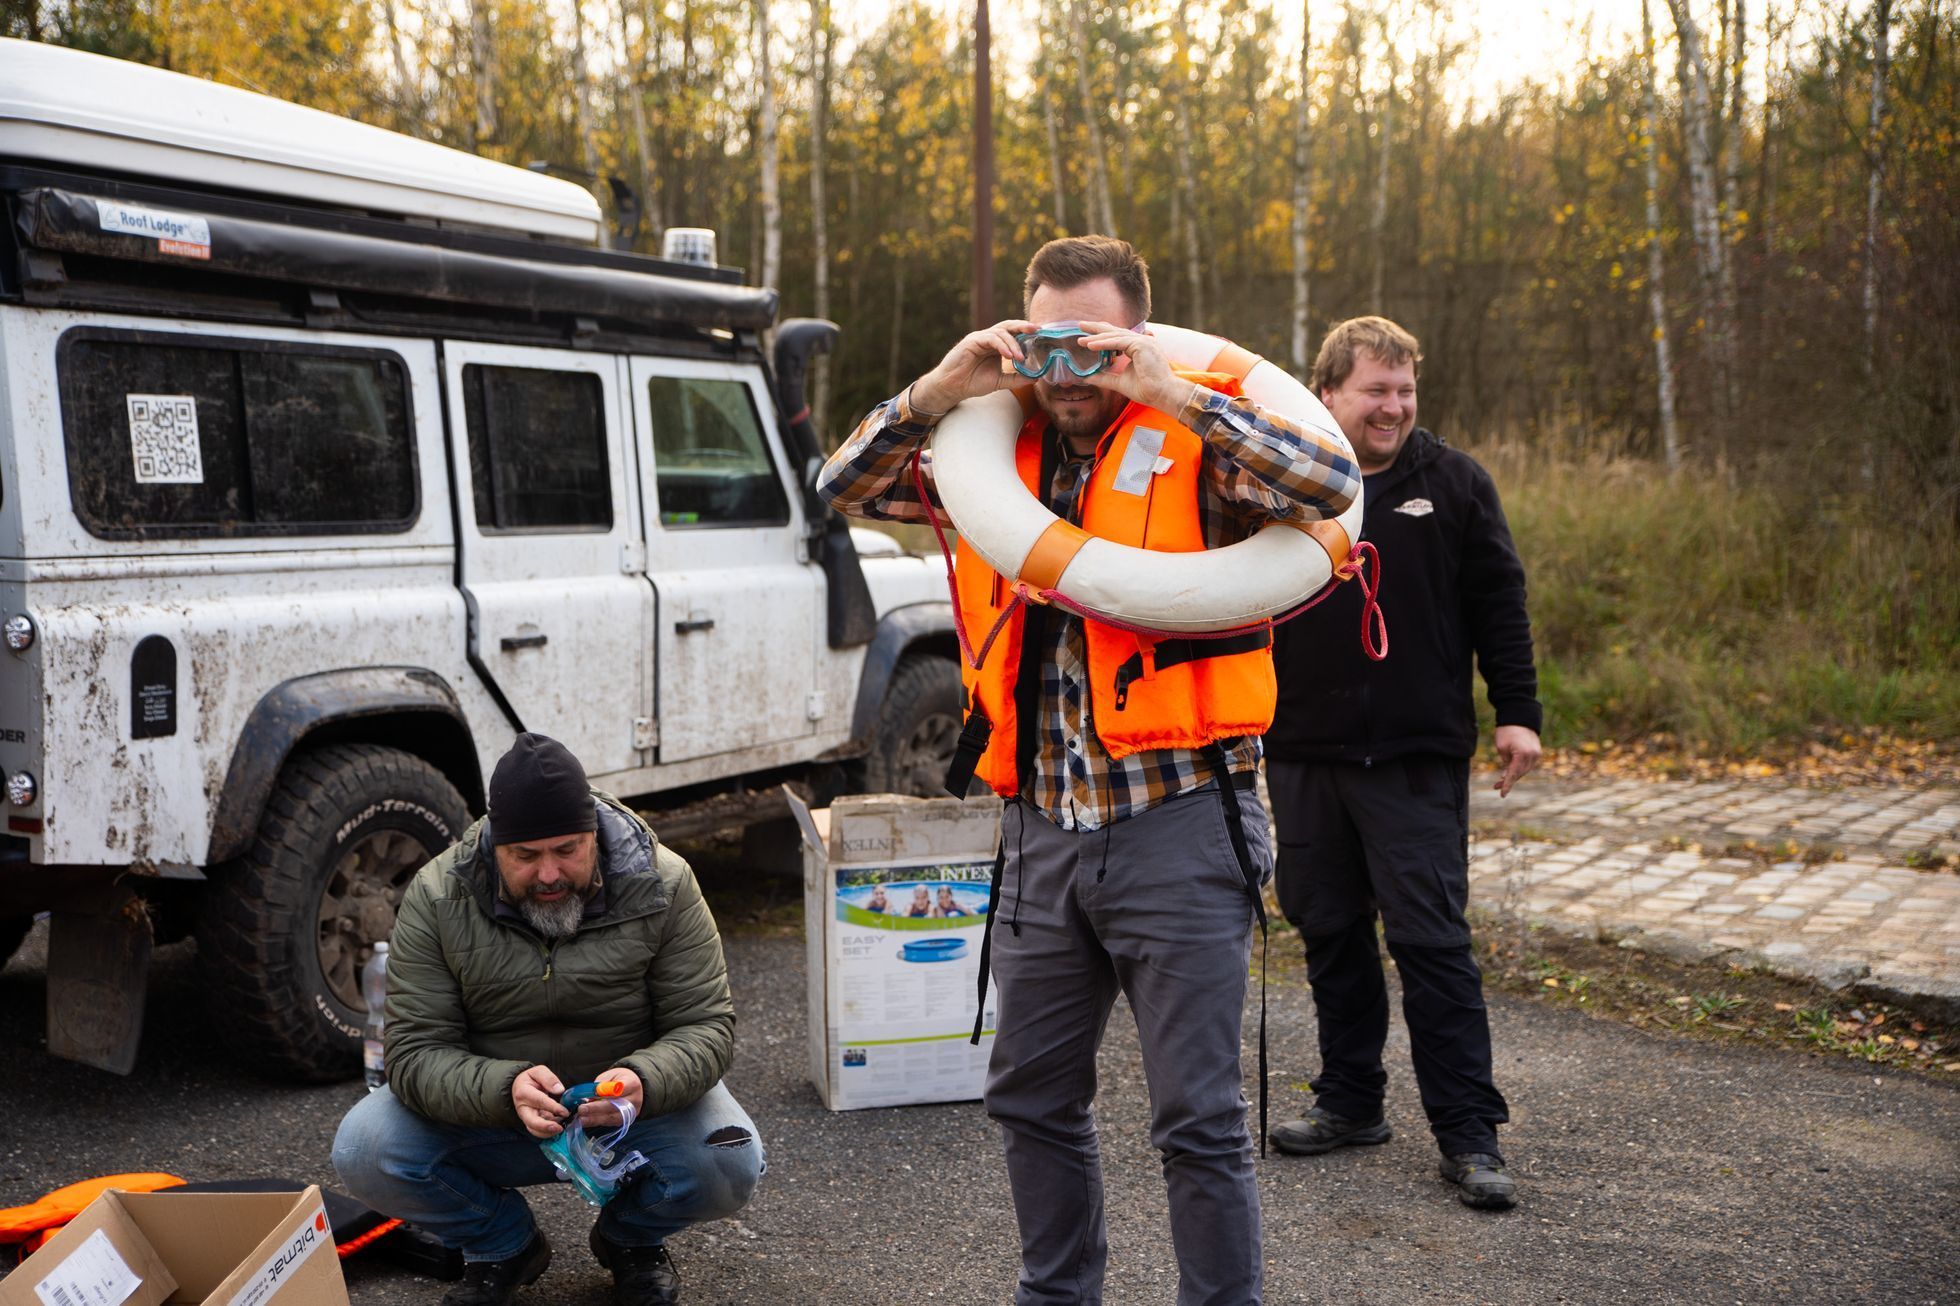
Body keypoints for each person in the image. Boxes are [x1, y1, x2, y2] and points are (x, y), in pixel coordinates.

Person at [820, 235, 1360, 1304]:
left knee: (1197, 1118)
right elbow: (843, 483)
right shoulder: (988, 456)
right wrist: (941, 387)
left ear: (1136, 336)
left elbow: (1333, 480)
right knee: (1026, 1094)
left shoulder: (1201, 446)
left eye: (1094, 344)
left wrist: (1175, 391)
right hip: (1037, 825)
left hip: (1178, 818)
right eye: (1045, 344)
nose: (1067, 373)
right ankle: (1057, 1294)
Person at [1262, 316, 1542, 1212]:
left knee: (1432, 948)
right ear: (1328, 393)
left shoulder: (1452, 482)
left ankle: (1471, 1140)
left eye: (1405, 389)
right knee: (1331, 935)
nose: (1395, 406)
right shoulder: (1284, 487)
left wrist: (1519, 714)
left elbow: (1500, 599)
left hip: (1415, 758)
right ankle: (1350, 1106)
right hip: (1302, 751)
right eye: (1376, 389)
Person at [331, 732, 763, 1306]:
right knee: (364, 1149)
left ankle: (630, 1239)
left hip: (627, 1113)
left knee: (730, 1157)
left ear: (594, 835)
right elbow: (413, 1052)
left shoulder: (666, 882)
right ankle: (503, 1244)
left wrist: (645, 1081)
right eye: (526, 856)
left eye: (567, 850)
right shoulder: (437, 896)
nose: (550, 874)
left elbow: (706, 1025)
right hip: (493, 1111)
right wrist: (502, 1088)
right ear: (493, 847)